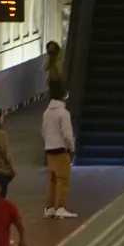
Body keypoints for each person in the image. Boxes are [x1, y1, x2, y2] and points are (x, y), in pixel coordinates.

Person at [42, 81, 78, 219]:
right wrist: (72, 148)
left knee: (52, 179)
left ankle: (49, 207)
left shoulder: (46, 113)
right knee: (63, 179)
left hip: (49, 150)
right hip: (61, 150)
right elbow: (67, 135)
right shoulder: (63, 113)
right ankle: (60, 207)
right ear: (63, 95)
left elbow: (43, 132)